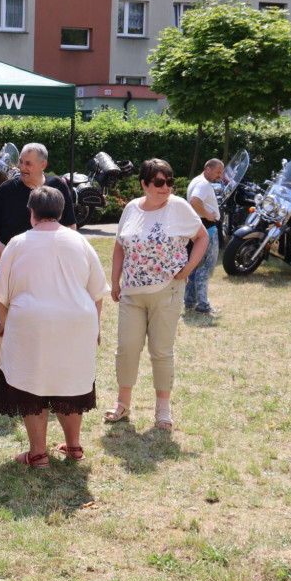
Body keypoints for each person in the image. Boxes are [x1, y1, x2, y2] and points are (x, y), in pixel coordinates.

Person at [0, 187, 109, 466]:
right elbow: (96, 293)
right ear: (60, 211)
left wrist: (4, 325)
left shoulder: (17, 243)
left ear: (31, 213)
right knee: (70, 383)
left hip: (31, 322)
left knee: (32, 385)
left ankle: (38, 453)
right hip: (78, 321)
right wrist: (97, 327)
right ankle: (74, 446)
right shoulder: (81, 242)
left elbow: (0, 294)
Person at [106, 158, 208, 429]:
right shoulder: (131, 208)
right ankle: (122, 403)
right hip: (132, 292)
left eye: (170, 182)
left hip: (167, 291)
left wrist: (187, 269)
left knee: (161, 351)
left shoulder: (179, 207)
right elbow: (119, 245)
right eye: (159, 183)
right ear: (144, 184)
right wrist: (114, 280)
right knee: (127, 348)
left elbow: (202, 237)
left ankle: (163, 409)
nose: (166, 188)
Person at [0, 143, 77, 393]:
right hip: (13, 267)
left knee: (47, 319)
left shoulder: (59, 187)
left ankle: (46, 371)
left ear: (44, 164)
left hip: (49, 268)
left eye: (28, 163)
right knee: (2, 317)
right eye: (20, 162)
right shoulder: (8, 189)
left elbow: (72, 228)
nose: (21, 167)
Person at [184, 158, 224, 314]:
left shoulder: (196, 180)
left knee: (195, 265)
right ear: (208, 169)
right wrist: (208, 216)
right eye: (218, 172)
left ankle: (189, 300)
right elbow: (195, 201)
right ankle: (202, 304)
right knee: (205, 267)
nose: (220, 176)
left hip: (198, 227)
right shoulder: (203, 184)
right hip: (208, 228)